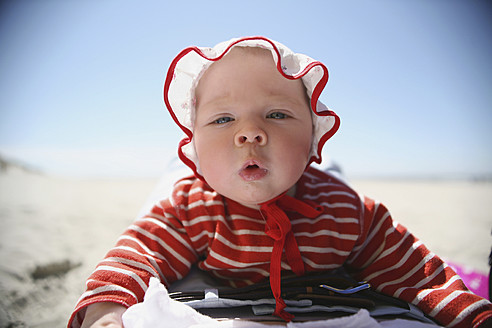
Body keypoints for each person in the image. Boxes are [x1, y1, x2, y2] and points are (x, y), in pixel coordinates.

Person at [68, 36, 492, 328]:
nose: (249, 132)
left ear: (314, 136)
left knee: (332, 176)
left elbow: (418, 273)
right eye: (222, 119)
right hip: (194, 192)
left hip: (317, 182)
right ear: (194, 145)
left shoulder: (347, 212)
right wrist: (106, 308)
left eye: (276, 114)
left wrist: (472, 315)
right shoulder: (191, 207)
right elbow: (139, 252)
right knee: (163, 189)